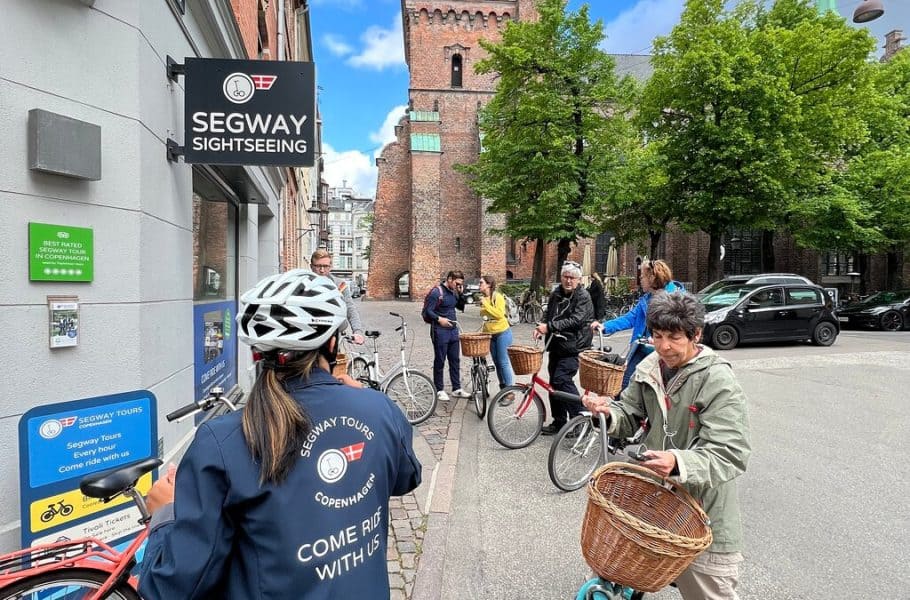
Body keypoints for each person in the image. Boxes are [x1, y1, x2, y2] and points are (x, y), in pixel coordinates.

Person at [138, 270, 422, 600]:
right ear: (332, 343)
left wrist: (164, 514)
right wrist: (367, 401)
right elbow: (407, 476)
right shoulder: (378, 409)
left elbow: (171, 587)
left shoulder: (224, 441)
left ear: (258, 354)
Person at [582, 291, 751, 600]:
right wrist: (607, 412)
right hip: (655, 505)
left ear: (696, 335)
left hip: (702, 515)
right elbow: (629, 414)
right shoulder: (650, 366)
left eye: (674, 338)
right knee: (618, 566)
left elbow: (731, 454)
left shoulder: (718, 381)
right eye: (657, 336)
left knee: (709, 589)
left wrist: (678, 463)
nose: (663, 346)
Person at [590, 259, 684, 392]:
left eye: (642, 277)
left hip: (664, 352)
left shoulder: (676, 299)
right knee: (623, 387)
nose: (640, 280)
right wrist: (604, 326)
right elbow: (630, 318)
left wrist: (661, 339)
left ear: (652, 277)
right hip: (641, 349)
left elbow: (680, 328)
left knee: (661, 390)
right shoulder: (646, 299)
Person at [533, 261, 594, 435]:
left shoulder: (583, 296)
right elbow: (548, 313)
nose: (568, 281)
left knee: (562, 380)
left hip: (574, 346)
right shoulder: (556, 293)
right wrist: (542, 325)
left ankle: (580, 419)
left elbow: (577, 320)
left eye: (572, 278)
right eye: (565, 277)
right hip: (556, 344)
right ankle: (559, 422)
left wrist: (549, 327)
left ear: (578, 279)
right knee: (553, 384)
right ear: (561, 277)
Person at [423, 270, 469, 402]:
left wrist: (461, 294)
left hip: (453, 330)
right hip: (439, 330)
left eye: (460, 284)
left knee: (455, 360)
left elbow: (461, 307)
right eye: (457, 283)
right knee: (440, 360)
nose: (458, 285)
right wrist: (439, 319)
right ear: (449, 279)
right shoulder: (437, 292)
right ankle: (439, 389)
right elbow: (428, 311)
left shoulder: (454, 292)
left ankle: (457, 388)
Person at [311, 249, 365, 345]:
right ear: (311, 267)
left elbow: (350, 308)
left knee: (339, 358)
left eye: (325, 266)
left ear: (330, 267)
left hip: (333, 336)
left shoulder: (340, 285)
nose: (322, 270)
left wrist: (357, 332)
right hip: (309, 334)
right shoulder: (303, 283)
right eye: (318, 266)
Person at [478, 275, 515, 395]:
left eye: (481, 283)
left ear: (489, 284)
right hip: (490, 335)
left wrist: (486, 305)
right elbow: (484, 316)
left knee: (503, 362)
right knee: (497, 362)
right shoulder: (484, 298)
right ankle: (503, 389)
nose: (479, 285)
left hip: (503, 333)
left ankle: (510, 392)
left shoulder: (497, 297)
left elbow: (499, 314)